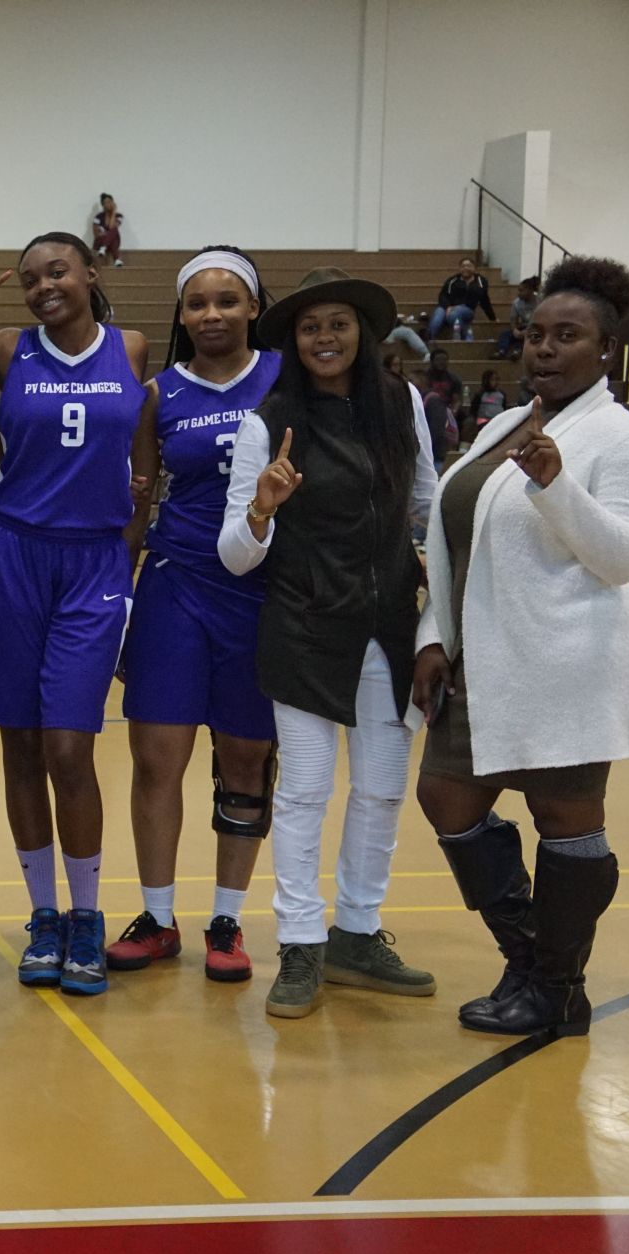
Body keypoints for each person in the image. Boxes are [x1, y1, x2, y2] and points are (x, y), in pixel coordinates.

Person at [412, 256, 629, 1037]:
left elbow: (623, 559)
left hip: (565, 665)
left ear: (605, 349)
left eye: (568, 336)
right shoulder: (504, 424)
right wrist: (432, 636)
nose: (545, 349)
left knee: (566, 821)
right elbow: (459, 542)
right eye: (537, 334)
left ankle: (555, 987)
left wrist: (556, 486)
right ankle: (533, 959)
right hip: (481, 660)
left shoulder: (622, 437)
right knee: (446, 799)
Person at [218, 266, 439, 1020]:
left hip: (387, 625)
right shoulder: (266, 421)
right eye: (310, 327)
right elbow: (234, 554)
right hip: (305, 625)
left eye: (338, 323)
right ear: (293, 341)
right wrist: (261, 508)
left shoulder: (402, 404)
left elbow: (428, 505)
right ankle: (302, 944)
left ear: (362, 333)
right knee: (306, 792)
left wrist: (438, 618)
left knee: (381, 788)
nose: (324, 338)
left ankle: (357, 933)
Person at [0, 232, 149, 997]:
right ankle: (43, 916)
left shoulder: (132, 348)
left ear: (90, 273)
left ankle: (87, 915)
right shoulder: (6, 349)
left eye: (58, 272)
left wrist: (128, 564)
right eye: (32, 278)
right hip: (11, 553)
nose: (44, 287)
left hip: (93, 563)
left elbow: (146, 468)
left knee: (70, 748)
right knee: (20, 745)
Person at [112, 248, 281, 982]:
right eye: (197, 304)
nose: (212, 314)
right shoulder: (158, 393)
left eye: (227, 301)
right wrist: (117, 592)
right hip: (175, 586)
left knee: (246, 760)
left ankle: (227, 921)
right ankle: (156, 915)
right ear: (181, 315)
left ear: (252, 308)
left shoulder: (284, 378)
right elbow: (140, 498)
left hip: (262, 591)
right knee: (158, 759)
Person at [426, 256, 497, 341]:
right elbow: (443, 295)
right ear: (459, 269)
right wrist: (448, 306)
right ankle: (428, 341)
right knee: (437, 316)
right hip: (447, 307)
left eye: (469, 265)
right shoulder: (452, 280)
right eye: (463, 266)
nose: (466, 268)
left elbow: (484, 300)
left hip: (467, 309)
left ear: (474, 268)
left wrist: (493, 318)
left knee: (455, 313)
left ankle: (458, 337)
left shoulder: (481, 282)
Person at [494, 276, 539, 361]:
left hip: (537, 328)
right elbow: (513, 319)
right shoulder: (517, 303)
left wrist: (528, 331)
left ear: (530, 290)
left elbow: (543, 321)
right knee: (505, 334)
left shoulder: (540, 301)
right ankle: (501, 351)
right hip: (523, 326)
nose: (518, 293)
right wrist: (515, 330)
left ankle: (518, 351)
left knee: (531, 336)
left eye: (521, 291)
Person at [469, 369, 507, 435]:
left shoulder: (501, 394)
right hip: (484, 422)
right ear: (486, 381)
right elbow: (473, 410)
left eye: (497, 380)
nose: (495, 382)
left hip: (499, 421)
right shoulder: (480, 394)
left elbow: (504, 407)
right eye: (492, 380)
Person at [90, 194, 124, 267]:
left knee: (114, 230)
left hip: (108, 246)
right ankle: (117, 259)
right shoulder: (98, 217)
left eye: (110, 202)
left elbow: (112, 227)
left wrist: (114, 212)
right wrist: (102, 235)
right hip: (99, 243)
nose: (108, 204)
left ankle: (103, 247)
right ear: (103, 205)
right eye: (105, 202)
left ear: (113, 203)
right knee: (114, 234)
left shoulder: (119, 216)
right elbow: (96, 234)